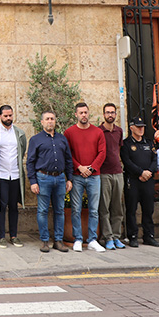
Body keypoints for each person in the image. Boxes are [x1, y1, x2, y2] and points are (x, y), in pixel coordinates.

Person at [26, 111, 73, 253]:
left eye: (52, 119)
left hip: (59, 178)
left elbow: (69, 160)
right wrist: (33, 181)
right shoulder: (36, 139)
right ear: (42, 122)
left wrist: (69, 179)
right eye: (47, 119)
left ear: (55, 121)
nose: (50, 121)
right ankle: (45, 241)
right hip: (43, 178)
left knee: (59, 210)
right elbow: (30, 162)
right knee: (42, 210)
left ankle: (58, 241)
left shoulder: (62, 139)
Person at [64, 102, 106, 252]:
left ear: (89, 113)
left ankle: (93, 239)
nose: (84, 115)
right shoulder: (69, 132)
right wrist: (79, 167)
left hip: (94, 176)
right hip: (77, 176)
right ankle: (78, 239)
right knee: (76, 208)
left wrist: (92, 167)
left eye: (86, 112)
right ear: (76, 115)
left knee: (94, 209)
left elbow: (102, 152)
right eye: (81, 113)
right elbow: (68, 154)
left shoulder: (98, 132)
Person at [120, 117, 159, 248]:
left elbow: (155, 160)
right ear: (131, 127)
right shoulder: (126, 144)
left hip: (147, 180)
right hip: (134, 180)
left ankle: (149, 236)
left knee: (148, 209)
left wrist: (148, 172)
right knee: (131, 209)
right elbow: (127, 162)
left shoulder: (148, 143)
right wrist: (141, 172)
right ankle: (132, 236)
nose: (141, 129)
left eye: (142, 126)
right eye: (138, 126)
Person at [0, 105, 25, 248]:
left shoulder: (19, 133)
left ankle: (14, 235)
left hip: (15, 175)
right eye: (5, 116)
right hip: (1, 175)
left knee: (14, 206)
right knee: (1, 206)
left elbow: (22, 149)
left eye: (10, 115)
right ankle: (1, 237)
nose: (8, 118)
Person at [98, 103, 124, 250]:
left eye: (113, 113)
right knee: (104, 207)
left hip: (117, 172)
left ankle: (116, 236)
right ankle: (107, 237)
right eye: (108, 112)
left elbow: (118, 150)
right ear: (103, 115)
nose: (110, 115)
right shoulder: (98, 131)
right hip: (103, 173)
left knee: (117, 207)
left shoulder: (119, 131)